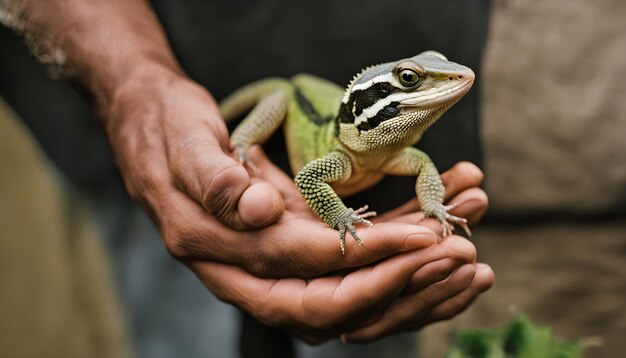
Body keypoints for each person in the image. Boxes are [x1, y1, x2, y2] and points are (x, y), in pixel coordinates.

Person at [0, 0, 494, 356]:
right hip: (164, 154)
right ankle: (239, 142)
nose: (450, 80)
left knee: (371, 318)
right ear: (375, 101)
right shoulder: (336, 162)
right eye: (412, 79)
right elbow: (311, 182)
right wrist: (135, 89)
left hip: (381, 199)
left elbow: (427, 167)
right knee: (190, 336)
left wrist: (434, 205)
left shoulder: (402, 154)